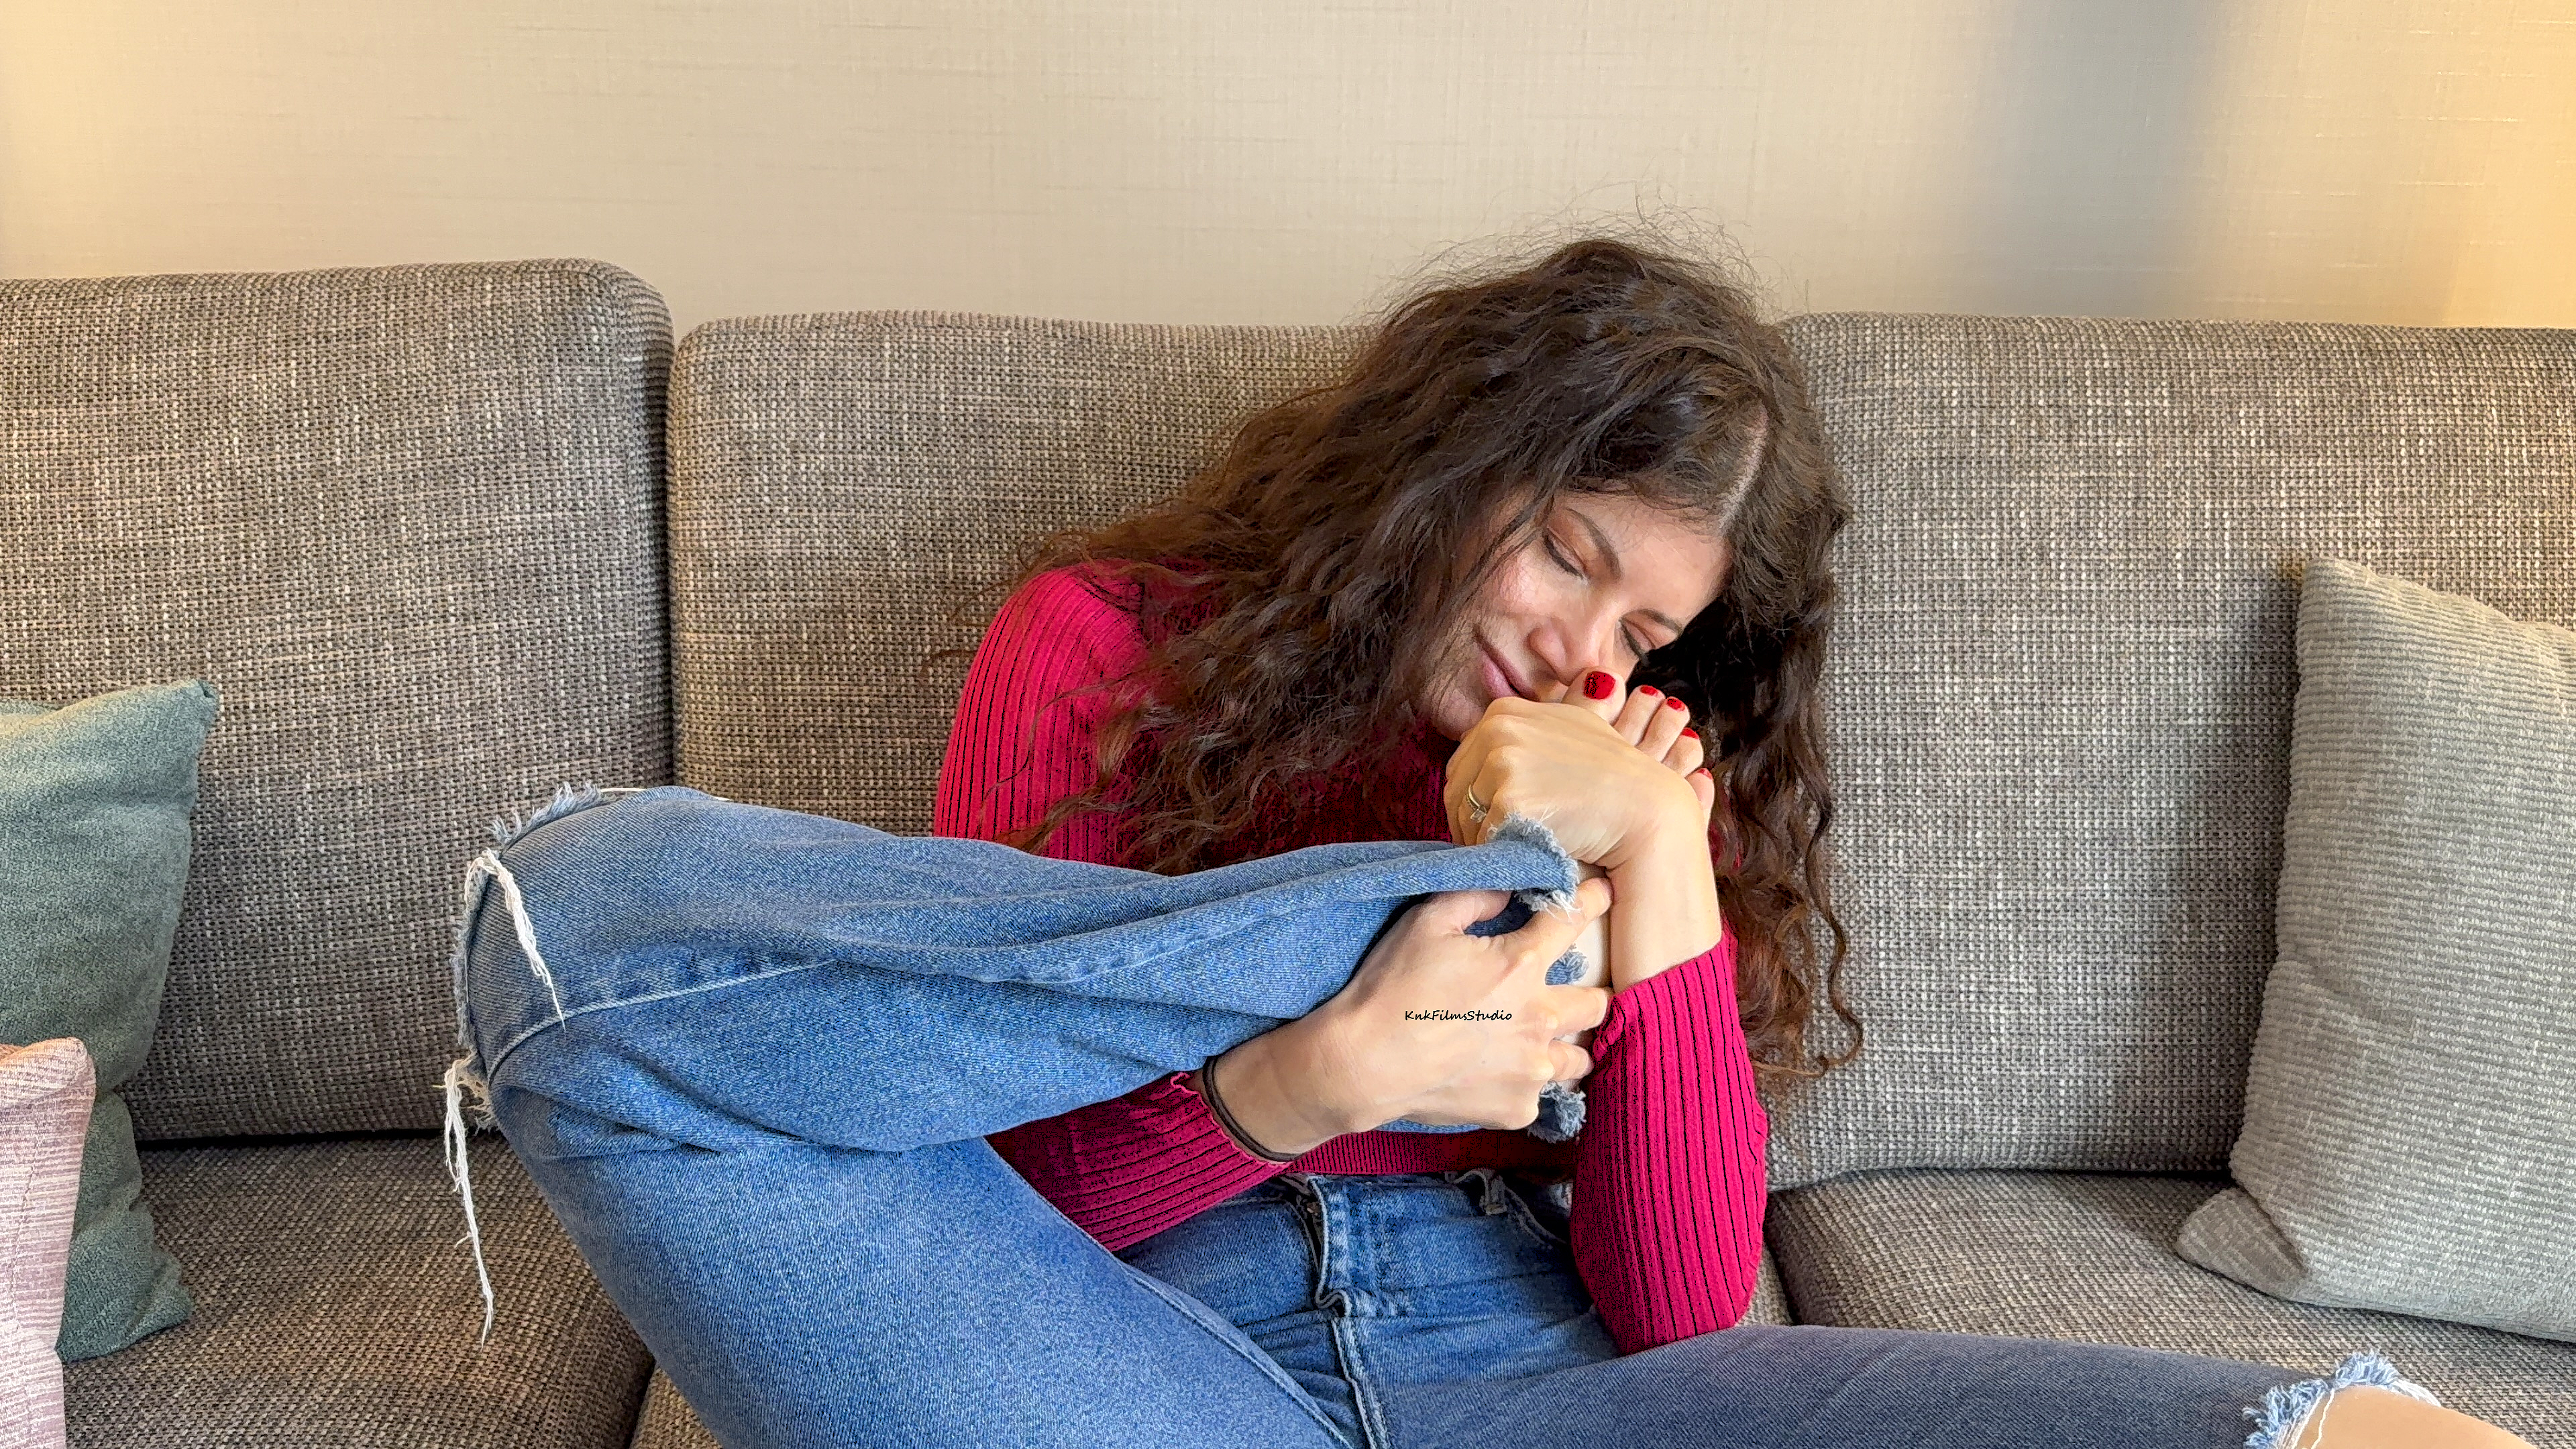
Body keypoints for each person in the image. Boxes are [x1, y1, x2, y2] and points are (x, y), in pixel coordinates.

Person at [441, 235, 2537, 1449]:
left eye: (1645, 631)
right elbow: (993, 1200)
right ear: (1452, 465)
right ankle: (1309, 956)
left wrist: (1661, 877)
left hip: (1524, 1374)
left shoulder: (1633, 775)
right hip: (1131, 1366)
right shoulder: (1099, 653)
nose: (1577, 642)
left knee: (2345, 1437)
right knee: (580, 921)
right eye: (1563, 552)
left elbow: (1688, 1308)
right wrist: (1311, 1070)